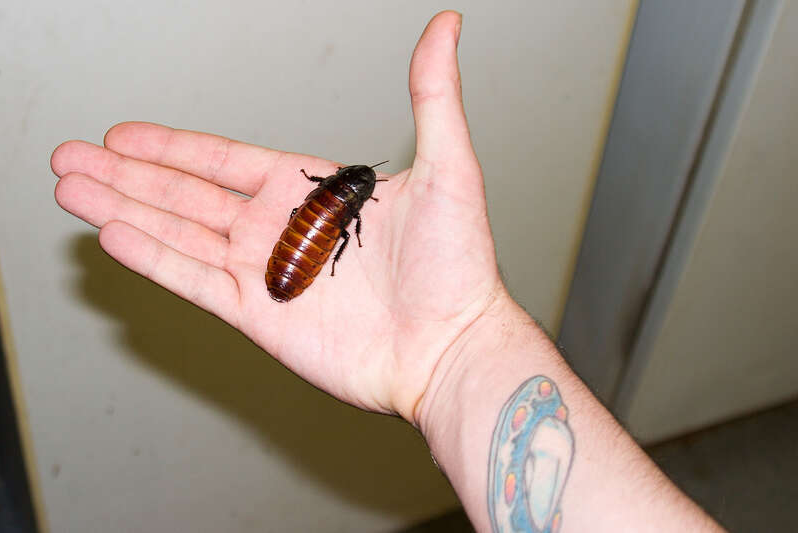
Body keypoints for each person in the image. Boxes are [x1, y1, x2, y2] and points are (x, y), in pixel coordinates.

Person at [50, 10, 722, 533]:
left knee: (295, 255)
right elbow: (333, 211)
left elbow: (331, 208)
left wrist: (458, 351)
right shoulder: (344, 204)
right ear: (349, 191)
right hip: (302, 245)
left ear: (345, 192)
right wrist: (459, 353)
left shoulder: (335, 200)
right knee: (290, 258)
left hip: (306, 240)